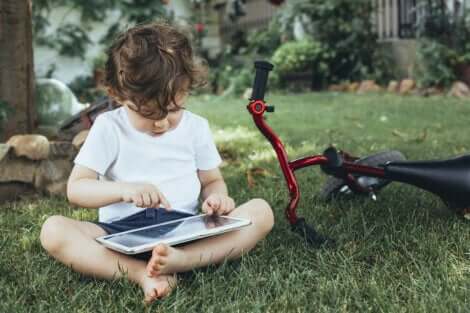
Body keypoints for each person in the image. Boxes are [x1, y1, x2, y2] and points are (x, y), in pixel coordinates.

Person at [39, 22, 274, 304]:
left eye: (173, 109)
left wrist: (217, 200)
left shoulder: (196, 127)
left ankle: (181, 261)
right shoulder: (108, 128)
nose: (162, 123)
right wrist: (124, 190)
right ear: (118, 95)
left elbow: (211, 181)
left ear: (186, 88)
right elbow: (77, 189)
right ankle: (141, 273)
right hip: (120, 234)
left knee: (261, 211)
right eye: (148, 113)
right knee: (53, 230)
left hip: (185, 228)